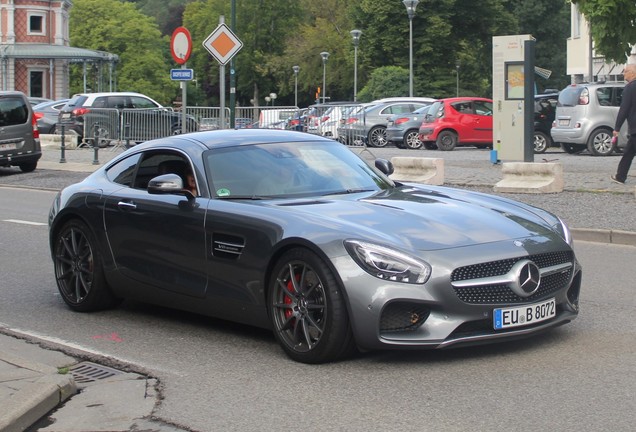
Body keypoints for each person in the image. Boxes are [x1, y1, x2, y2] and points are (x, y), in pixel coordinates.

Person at [611, 64, 636, 184]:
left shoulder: (630, 88)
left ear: (632, 72)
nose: (623, 74)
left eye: (625, 71)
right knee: (629, 152)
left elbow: (624, 109)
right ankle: (620, 176)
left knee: (629, 152)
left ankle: (620, 176)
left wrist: (617, 128)